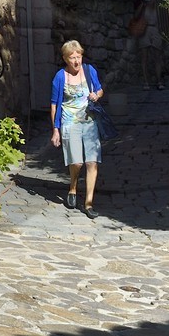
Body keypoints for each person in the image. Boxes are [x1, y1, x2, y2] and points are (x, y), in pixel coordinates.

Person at [49, 39, 104, 217]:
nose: (76, 61)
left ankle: (88, 204)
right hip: (69, 122)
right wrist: (55, 129)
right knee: (77, 162)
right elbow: (54, 105)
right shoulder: (60, 77)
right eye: (72, 58)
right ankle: (73, 187)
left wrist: (96, 95)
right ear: (65, 59)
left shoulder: (89, 70)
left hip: (90, 121)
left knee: (92, 162)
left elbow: (100, 89)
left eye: (78, 56)